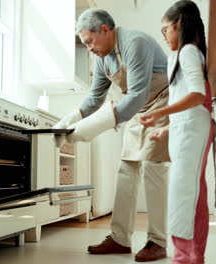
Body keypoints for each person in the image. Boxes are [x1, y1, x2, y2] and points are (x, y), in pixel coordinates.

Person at [54, 8, 170, 262]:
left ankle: (158, 241)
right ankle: (120, 239)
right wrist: (69, 121)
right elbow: (95, 97)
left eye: (89, 42)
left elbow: (137, 94)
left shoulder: (134, 43)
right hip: (139, 110)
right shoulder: (103, 56)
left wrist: (88, 129)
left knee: (153, 168)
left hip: (161, 103)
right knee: (126, 170)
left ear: (105, 30)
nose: (89, 49)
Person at [140, 1, 213, 263]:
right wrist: (167, 128)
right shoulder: (184, 55)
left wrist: (160, 113)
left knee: (183, 194)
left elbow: (197, 96)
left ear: (178, 25)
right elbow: (192, 102)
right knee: (193, 194)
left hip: (193, 131)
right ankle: (193, 257)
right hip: (190, 128)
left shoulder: (188, 52)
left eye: (165, 29)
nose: (165, 35)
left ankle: (183, 258)